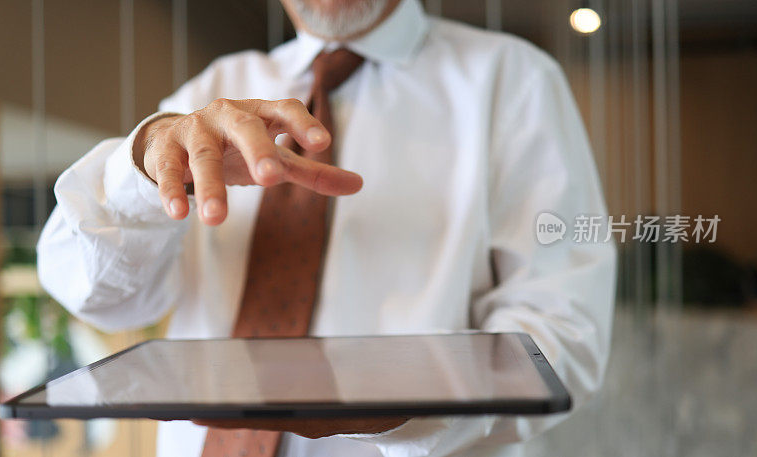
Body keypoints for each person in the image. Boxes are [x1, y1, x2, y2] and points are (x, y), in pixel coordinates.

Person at [36, 0, 617, 455]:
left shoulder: (515, 79)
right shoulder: (215, 90)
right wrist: (142, 163)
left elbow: (564, 326)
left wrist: (411, 405)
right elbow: (90, 291)